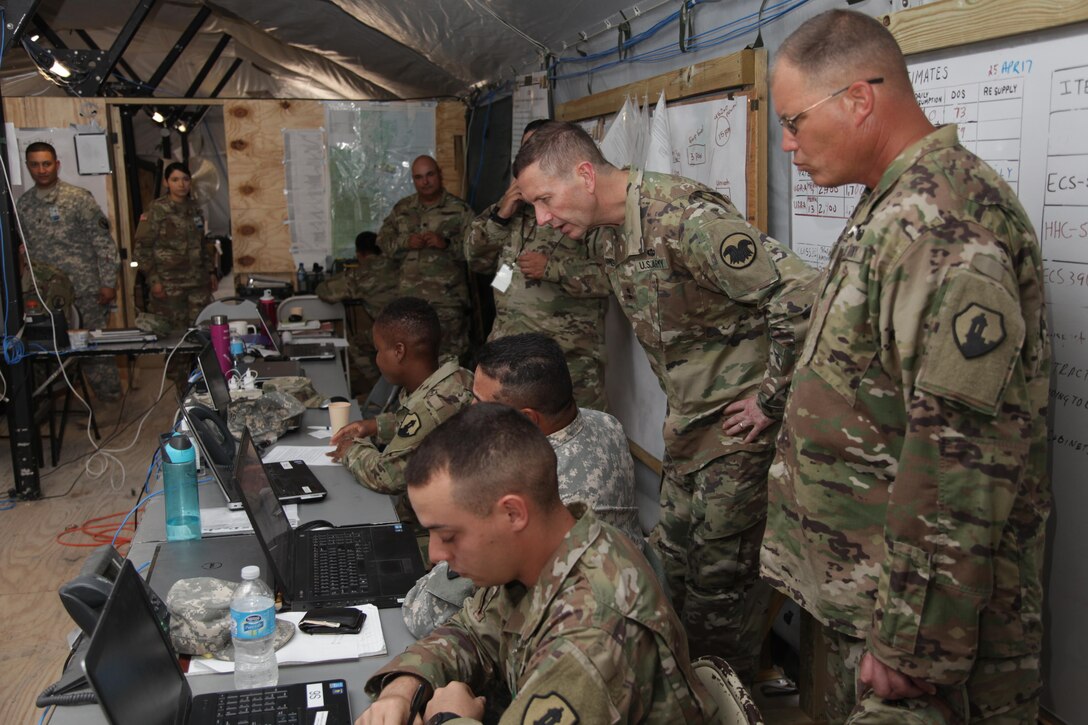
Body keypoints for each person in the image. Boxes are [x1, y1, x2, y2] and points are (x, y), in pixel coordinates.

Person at [761, 10, 1051, 723]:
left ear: (860, 99)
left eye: (795, 122)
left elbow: (958, 459)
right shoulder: (892, 203)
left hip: (910, 631)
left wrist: (912, 642)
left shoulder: (945, 226)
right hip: (865, 593)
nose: (789, 146)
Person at [513, 121, 817, 683]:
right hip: (688, 431)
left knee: (720, 591)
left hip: (736, 436)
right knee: (670, 570)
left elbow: (801, 297)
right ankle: (681, 695)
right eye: (533, 205)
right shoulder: (604, 233)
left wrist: (769, 402)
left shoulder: (684, 218)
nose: (543, 219)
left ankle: (729, 704)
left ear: (583, 175)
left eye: (544, 200)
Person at [359, 403, 713, 725]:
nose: (435, 554)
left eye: (449, 536)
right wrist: (405, 687)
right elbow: (473, 632)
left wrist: (448, 718)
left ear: (513, 513)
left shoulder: (593, 636)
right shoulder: (550, 551)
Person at [401, 332, 645, 637]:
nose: (469, 413)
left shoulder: (541, 496)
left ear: (527, 420)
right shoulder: (605, 423)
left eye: (479, 404)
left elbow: (425, 616)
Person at [465, 120, 610, 409]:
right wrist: (501, 215)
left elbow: (613, 278)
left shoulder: (583, 209)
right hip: (507, 358)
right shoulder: (509, 207)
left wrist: (554, 269)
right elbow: (474, 258)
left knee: (572, 437)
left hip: (566, 358)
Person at [328, 297, 473, 500]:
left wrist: (350, 449)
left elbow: (387, 477)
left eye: (378, 350)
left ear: (399, 351)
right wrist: (374, 426)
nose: (376, 358)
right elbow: (422, 428)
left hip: (438, 514)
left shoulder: (433, 403)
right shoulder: (453, 376)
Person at [17, 141, 122, 400]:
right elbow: (24, 249)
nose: (41, 170)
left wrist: (108, 283)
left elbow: (103, 243)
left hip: (84, 289)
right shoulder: (24, 204)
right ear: (28, 166)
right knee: (49, 351)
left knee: (94, 351)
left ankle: (112, 402)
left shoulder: (78, 199)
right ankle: (58, 402)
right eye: (35, 164)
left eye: (46, 163)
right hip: (46, 295)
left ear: (57, 165)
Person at [377, 156, 474, 362]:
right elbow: (382, 243)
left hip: (448, 303)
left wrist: (446, 244)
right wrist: (405, 242)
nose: (425, 181)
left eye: (430, 174)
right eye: (419, 177)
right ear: (413, 180)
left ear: (439, 174)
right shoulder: (402, 209)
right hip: (410, 304)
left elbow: (478, 251)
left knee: (450, 362)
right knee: (413, 362)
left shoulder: (460, 210)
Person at [315, 231, 400, 394]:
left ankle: (383, 389)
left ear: (359, 254)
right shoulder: (399, 264)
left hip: (393, 333)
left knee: (356, 343)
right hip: (417, 328)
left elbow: (325, 291)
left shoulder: (363, 273)